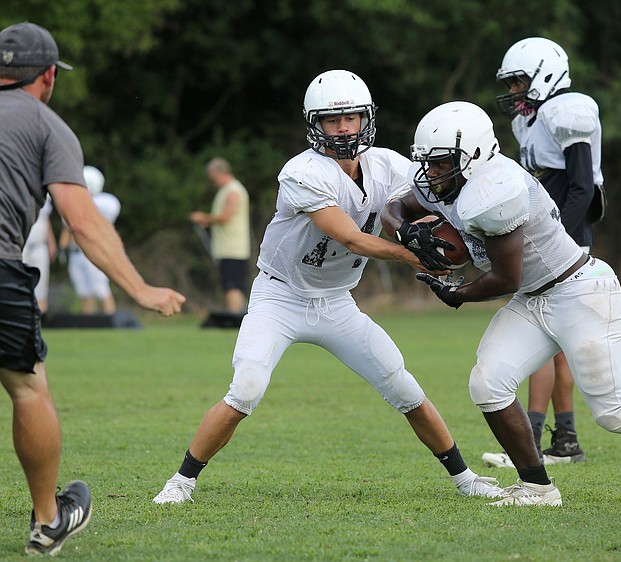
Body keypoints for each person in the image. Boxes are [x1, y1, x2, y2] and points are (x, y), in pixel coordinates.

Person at [152, 70, 504, 505]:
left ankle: (465, 479)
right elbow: (350, 238)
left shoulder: (390, 165)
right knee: (245, 389)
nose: (343, 128)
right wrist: (417, 255)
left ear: (366, 118)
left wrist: (451, 232)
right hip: (280, 297)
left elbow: (427, 202)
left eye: (351, 118)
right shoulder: (301, 172)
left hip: (337, 302)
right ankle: (182, 481)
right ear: (313, 124)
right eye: (332, 120)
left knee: (403, 386)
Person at [381, 100, 621, 507]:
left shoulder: (496, 190)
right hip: (533, 298)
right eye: (428, 163)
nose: (431, 173)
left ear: (471, 156)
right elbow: (395, 206)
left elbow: (507, 278)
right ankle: (538, 488)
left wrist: (458, 294)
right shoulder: (449, 182)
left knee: (617, 414)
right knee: (488, 384)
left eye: (440, 163)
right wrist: (405, 233)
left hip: (578, 291)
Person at [0, 21, 186, 554]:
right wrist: (140, 288)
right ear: (49, 75)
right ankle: (47, 520)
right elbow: (81, 221)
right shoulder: (46, 125)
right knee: (26, 387)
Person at [481, 37, 605, 469]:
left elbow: (582, 186)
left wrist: (558, 241)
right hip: (558, 237)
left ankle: (533, 438)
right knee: (556, 346)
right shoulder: (530, 121)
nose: (514, 91)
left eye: (520, 81)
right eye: (511, 83)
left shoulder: (567, 109)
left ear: (545, 74)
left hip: (564, 240)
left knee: (544, 340)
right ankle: (565, 439)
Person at [189, 157, 251, 313]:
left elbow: (225, 216)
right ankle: (236, 315)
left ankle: (235, 317)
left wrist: (204, 217)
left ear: (221, 173)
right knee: (231, 282)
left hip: (232, 248)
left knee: (232, 284)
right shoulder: (226, 190)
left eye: (213, 177)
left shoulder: (233, 191)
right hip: (227, 247)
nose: (213, 181)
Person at [59, 165, 120, 314]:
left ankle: (111, 322)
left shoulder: (104, 203)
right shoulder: (74, 202)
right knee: (84, 293)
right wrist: (62, 248)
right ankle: (89, 325)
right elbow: (68, 229)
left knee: (101, 290)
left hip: (94, 250)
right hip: (76, 252)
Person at [22, 194, 57, 313]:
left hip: (39, 245)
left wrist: (51, 243)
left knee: (41, 285)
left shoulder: (44, 194)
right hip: (21, 245)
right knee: (19, 284)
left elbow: (45, 219)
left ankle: (40, 321)